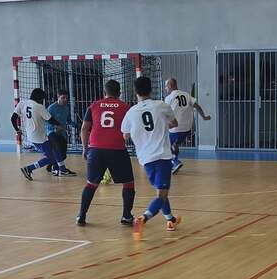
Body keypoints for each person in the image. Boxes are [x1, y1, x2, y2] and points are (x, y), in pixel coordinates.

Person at [121, 75, 180, 235]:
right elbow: (174, 123)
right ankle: (143, 218)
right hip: (162, 157)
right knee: (162, 195)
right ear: (151, 89)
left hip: (145, 159)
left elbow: (125, 135)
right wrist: (162, 125)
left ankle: (170, 220)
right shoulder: (161, 105)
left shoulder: (131, 112)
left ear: (135, 92)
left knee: (161, 192)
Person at [75, 79, 135, 227]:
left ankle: (81, 216)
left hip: (96, 149)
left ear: (104, 92)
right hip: (117, 149)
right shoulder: (125, 107)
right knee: (128, 183)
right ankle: (126, 216)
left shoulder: (94, 105)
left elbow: (84, 128)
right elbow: (130, 130)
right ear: (119, 93)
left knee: (91, 184)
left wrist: (85, 148)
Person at [163, 77, 210, 172]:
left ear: (170, 85)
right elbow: (197, 106)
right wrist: (204, 117)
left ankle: (175, 162)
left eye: (166, 86)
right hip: (188, 128)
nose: (165, 88)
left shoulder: (169, 98)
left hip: (175, 128)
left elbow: (165, 113)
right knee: (175, 144)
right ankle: (175, 162)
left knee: (165, 146)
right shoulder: (186, 95)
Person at [12, 87, 59, 180]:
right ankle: (29, 168)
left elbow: (13, 118)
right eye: (42, 99)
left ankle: (55, 168)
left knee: (52, 151)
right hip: (40, 137)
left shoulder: (22, 103)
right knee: (50, 157)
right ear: (39, 98)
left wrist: (17, 130)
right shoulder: (39, 107)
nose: (42, 101)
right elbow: (50, 120)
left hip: (31, 135)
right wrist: (59, 124)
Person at [46, 91, 76, 177]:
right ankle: (58, 169)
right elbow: (47, 120)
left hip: (61, 133)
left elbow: (68, 120)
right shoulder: (51, 108)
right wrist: (54, 127)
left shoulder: (66, 107)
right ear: (58, 97)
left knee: (63, 154)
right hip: (51, 132)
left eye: (66, 98)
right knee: (57, 150)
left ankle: (51, 165)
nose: (65, 100)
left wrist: (74, 125)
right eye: (63, 98)